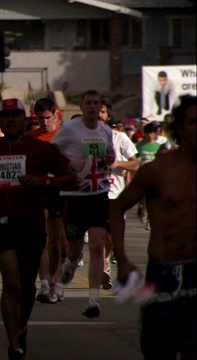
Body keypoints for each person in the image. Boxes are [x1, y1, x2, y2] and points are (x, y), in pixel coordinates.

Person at [0, 99, 75, 360]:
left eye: (16, 115)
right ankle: (14, 345)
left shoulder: (39, 149)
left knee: (27, 286)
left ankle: (21, 327)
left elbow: (70, 174)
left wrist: (42, 180)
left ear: (24, 120)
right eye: (6, 116)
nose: (11, 120)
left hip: (31, 224)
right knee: (11, 281)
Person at [110, 94, 196, 360]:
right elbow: (116, 208)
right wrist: (122, 261)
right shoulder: (158, 171)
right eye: (194, 122)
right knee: (159, 352)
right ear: (180, 129)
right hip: (163, 274)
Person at [51, 89, 116, 318]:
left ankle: (93, 300)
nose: (92, 106)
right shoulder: (69, 129)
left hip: (99, 194)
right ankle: (70, 262)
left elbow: (110, 157)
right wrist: (71, 163)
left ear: (101, 107)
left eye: (96, 103)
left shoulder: (106, 131)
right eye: (88, 102)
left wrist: (110, 158)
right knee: (74, 247)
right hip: (75, 195)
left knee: (98, 245)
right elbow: (51, 152)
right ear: (81, 105)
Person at [26, 98, 67, 304]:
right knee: (40, 238)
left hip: (59, 190)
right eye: (40, 118)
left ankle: (56, 282)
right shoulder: (30, 138)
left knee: (55, 241)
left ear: (56, 115)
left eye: (48, 118)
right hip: (37, 190)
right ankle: (43, 284)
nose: (44, 122)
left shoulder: (65, 136)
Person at [98, 98, 139, 288]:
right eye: (95, 110)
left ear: (108, 116)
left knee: (110, 235)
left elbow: (135, 163)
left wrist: (117, 164)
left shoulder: (120, 138)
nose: (98, 114)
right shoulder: (84, 138)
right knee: (96, 235)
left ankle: (105, 264)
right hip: (92, 193)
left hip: (114, 194)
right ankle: (102, 265)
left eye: (102, 111)